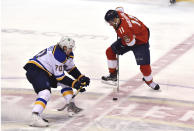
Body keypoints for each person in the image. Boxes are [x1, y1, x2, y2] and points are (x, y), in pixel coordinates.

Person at [23, 36, 90, 127]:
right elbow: (60, 78)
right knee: (45, 93)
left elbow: (71, 69)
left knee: (65, 83)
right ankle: (35, 116)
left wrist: (81, 78)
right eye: (69, 48)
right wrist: (76, 84)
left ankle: (70, 106)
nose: (71, 50)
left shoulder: (64, 53)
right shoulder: (58, 55)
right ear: (64, 47)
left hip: (45, 71)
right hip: (36, 70)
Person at [101, 7, 160, 90]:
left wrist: (121, 45)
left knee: (144, 66)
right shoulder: (119, 13)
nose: (110, 24)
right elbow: (120, 8)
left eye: (111, 22)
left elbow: (131, 43)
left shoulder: (124, 30)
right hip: (135, 34)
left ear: (116, 19)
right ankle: (113, 75)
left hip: (141, 41)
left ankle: (149, 82)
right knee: (110, 52)